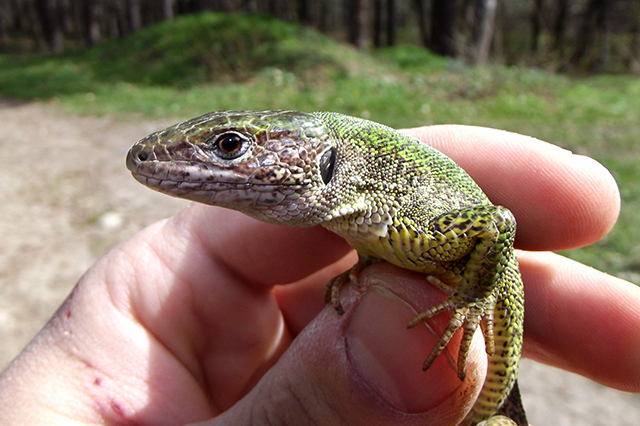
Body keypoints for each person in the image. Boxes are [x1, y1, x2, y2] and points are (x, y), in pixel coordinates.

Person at [0, 125, 638, 426]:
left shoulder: (408, 222)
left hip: (494, 370)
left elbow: (496, 224)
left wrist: (473, 296)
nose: (167, 162)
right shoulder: (366, 222)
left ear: (325, 162)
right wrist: (368, 263)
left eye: (230, 147)